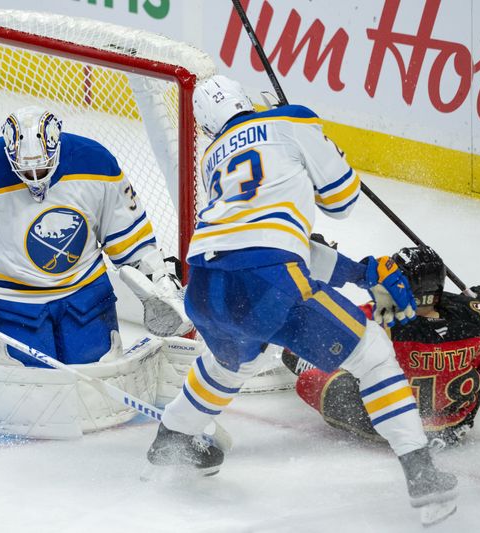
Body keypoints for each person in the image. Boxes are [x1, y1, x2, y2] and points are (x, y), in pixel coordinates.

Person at [144, 75, 458, 524]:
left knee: (231, 364)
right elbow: (342, 201)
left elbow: (267, 239)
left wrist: (360, 272)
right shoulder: (290, 122)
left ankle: (171, 439)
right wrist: (316, 138)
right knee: (372, 353)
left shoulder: (213, 158)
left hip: (205, 288)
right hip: (267, 281)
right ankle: (423, 475)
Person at [0, 105, 187, 367]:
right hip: (11, 303)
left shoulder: (96, 164)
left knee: (97, 376)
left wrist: (159, 279)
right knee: (25, 388)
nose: (35, 179)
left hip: (85, 297)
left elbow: (130, 238)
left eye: (42, 169)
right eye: (26, 171)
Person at [284, 245, 480, 446]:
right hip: (453, 427)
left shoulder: (377, 320)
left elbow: (316, 334)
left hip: (387, 425)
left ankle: (304, 363)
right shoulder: (478, 321)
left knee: (310, 377)